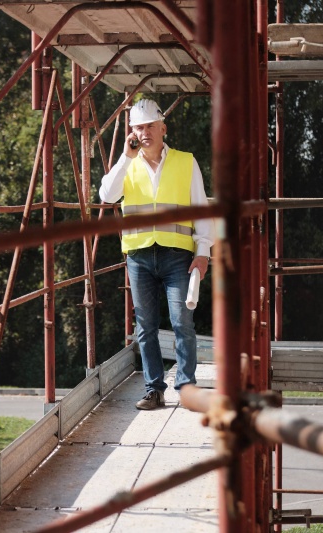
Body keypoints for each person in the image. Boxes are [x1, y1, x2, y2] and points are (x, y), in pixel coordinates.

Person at [99, 98, 214, 410]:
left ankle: (186, 388)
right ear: (131, 132)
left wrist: (203, 252)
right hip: (138, 256)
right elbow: (106, 195)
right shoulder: (127, 164)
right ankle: (154, 390)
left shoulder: (185, 162)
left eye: (150, 125)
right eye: (138, 127)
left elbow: (201, 209)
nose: (144, 132)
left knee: (182, 323)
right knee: (146, 327)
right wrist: (125, 157)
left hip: (178, 255)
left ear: (163, 128)